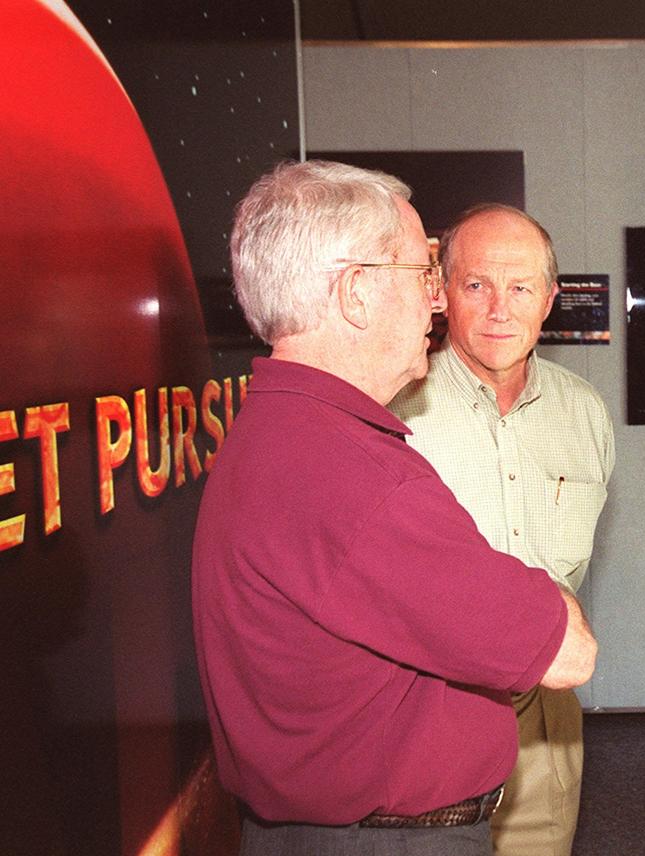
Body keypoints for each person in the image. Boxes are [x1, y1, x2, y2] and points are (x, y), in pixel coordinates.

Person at [191, 160, 597, 856]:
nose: (437, 303)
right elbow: (566, 651)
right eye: (423, 275)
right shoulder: (354, 474)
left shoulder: (284, 433)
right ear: (355, 294)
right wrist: (544, 602)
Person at [389, 203, 613, 856]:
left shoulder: (585, 415)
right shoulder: (394, 418)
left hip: (546, 722)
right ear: (441, 294)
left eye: (520, 288)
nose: (498, 310)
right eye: (476, 285)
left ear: (548, 300)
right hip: (426, 716)